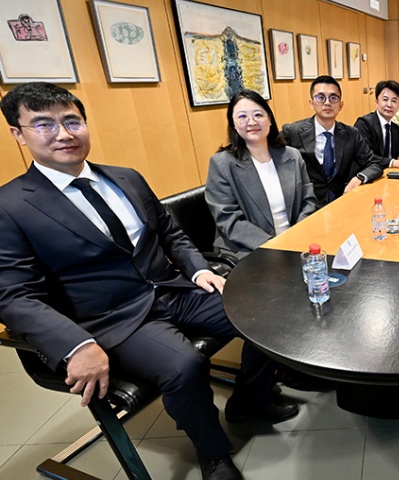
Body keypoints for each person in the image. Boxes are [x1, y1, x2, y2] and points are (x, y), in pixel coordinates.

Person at [0, 82, 298, 480]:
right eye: (44, 125)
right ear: (18, 134)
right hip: (113, 318)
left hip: (171, 288)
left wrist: (198, 268)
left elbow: (170, 232)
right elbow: (14, 295)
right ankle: (214, 453)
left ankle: (250, 399)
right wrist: (76, 344)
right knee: (185, 365)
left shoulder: (126, 178)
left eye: (72, 121)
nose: (65, 134)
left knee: (266, 315)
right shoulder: (11, 206)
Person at [206, 90, 319, 259]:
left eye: (258, 114)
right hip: (248, 249)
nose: (251, 122)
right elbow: (228, 219)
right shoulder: (221, 164)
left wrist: (295, 237)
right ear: (234, 124)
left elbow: (308, 201)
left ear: (270, 120)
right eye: (242, 117)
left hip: (296, 242)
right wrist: (275, 245)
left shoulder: (292, 156)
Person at [281, 76, 382, 206]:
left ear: (341, 105)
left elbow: (374, 164)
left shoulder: (351, 134)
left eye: (333, 98)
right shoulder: (293, 132)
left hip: (342, 201)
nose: (327, 103)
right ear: (311, 103)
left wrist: (359, 178)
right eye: (320, 97)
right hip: (307, 204)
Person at [354, 80, 399, 168]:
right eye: (385, 100)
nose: (389, 105)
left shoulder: (395, 128)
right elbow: (365, 156)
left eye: (394, 101)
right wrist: (392, 162)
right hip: (369, 176)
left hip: (390, 175)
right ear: (376, 102)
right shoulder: (364, 124)